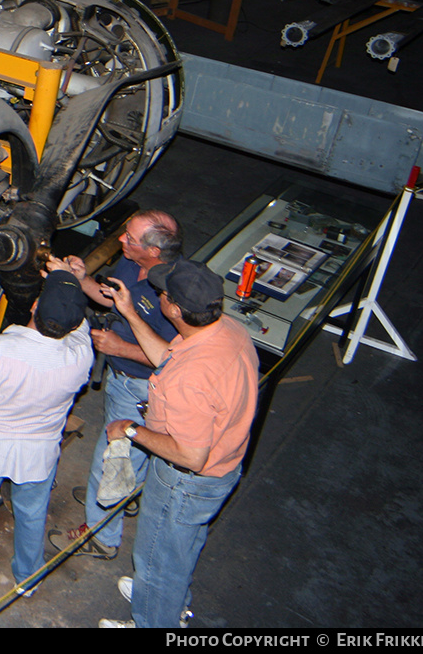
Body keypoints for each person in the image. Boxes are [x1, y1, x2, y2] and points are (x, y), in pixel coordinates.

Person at [96, 259, 259, 629]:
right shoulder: (223, 330)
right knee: (181, 547)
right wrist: (130, 314)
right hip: (223, 468)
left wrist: (131, 430)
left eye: (163, 294)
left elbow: (190, 455)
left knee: (156, 558)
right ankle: (169, 603)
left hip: (185, 480)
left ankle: (153, 617)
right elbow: (167, 361)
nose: (158, 295)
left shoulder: (194, 377)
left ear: (173, 309)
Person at [0, 259, 93, 596]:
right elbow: (80, 328)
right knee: (32, 513)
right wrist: (71, 283)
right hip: (38, 455)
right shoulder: (80, 357)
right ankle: (28, 578)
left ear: (36, 306)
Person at [49, 210, 182, 560]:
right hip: (121, 379)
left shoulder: (171, 294)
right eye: (125, 233)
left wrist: (120, 348)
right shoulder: (131, 262)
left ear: (154, 252)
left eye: (130, 238)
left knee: (109, 462)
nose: (121, 240)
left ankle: (102, 536)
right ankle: (122, 496)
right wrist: (80, 277)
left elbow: (173, 357)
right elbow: (111, 298)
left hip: (142, 390)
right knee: (125, 462)